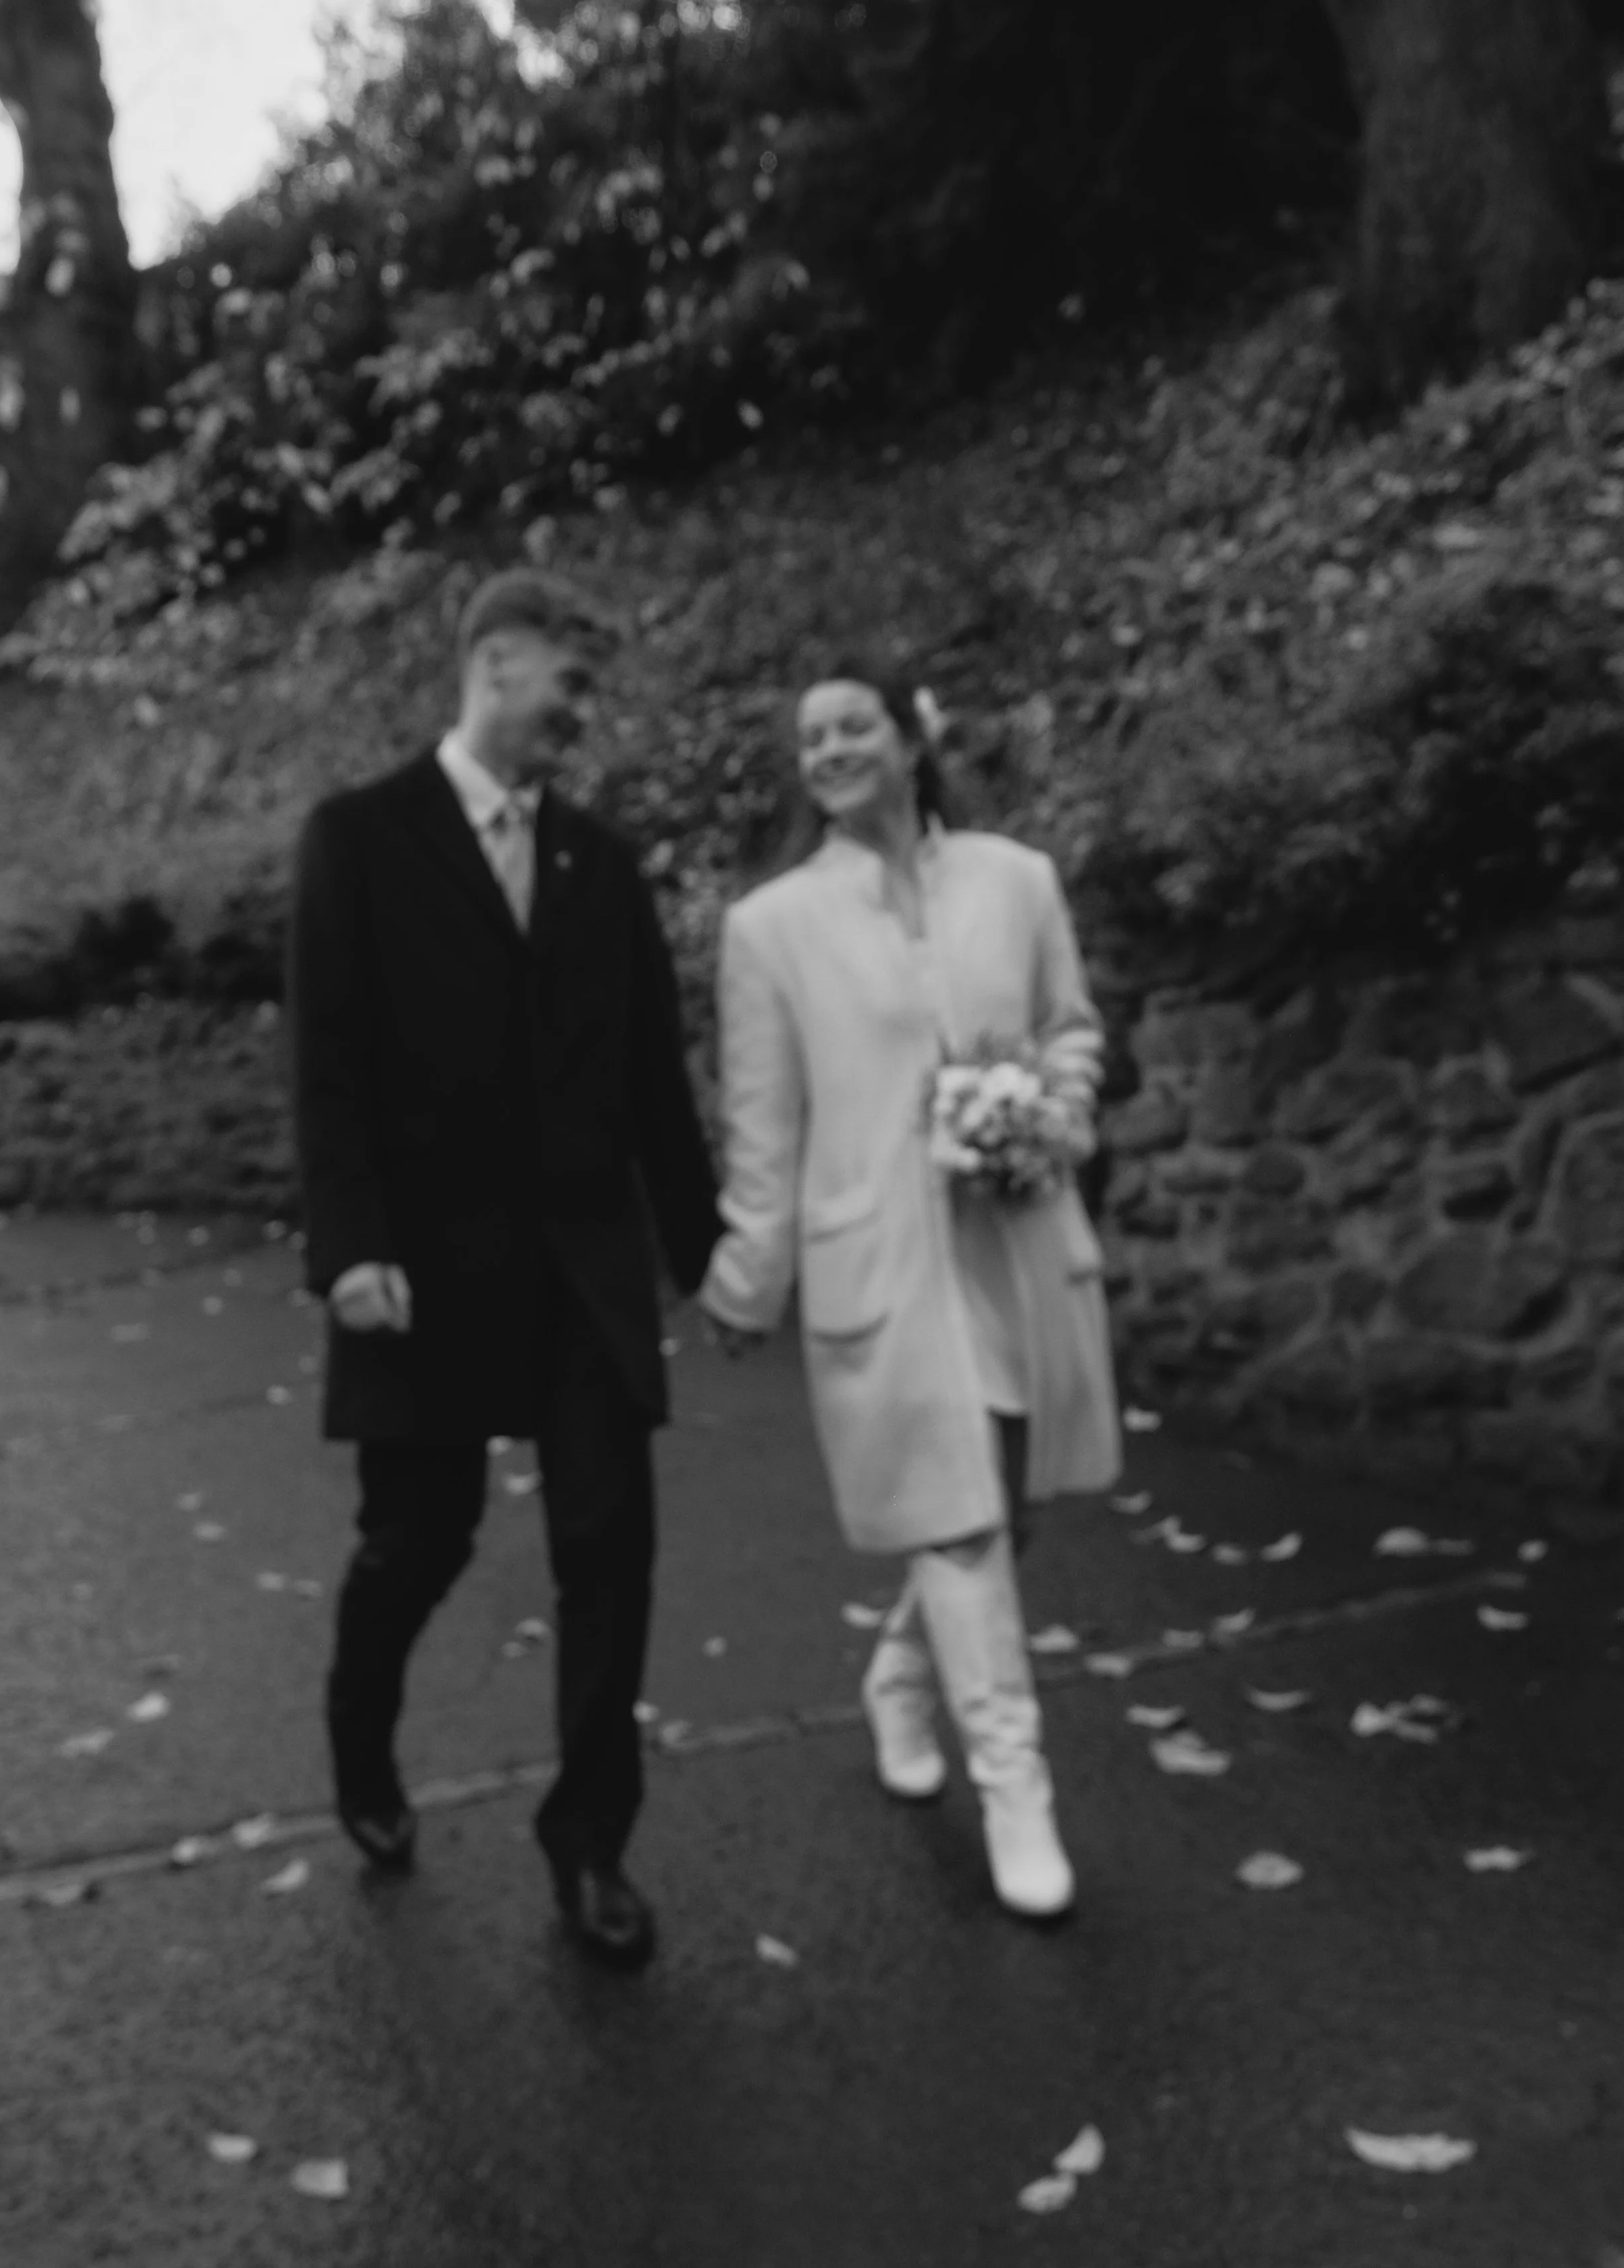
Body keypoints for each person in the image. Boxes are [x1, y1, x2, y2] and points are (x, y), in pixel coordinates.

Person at [288, 566, 721, 1968]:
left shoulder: (601, 860)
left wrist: (709, 1256)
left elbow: (654, 1076)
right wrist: (348, 1249)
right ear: (492, 663)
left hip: (582, 1272)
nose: (581, 719)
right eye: (569, 687)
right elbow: (328, 1064)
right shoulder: (358, 837)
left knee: (609, 1544)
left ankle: (589, 1842)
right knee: (422, 1539)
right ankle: (360, 1729)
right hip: (417, 1269)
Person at [699, 663, 1121, 1921]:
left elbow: (1071, 1027)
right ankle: (1016, 1793)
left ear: (908, 737)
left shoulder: (1017, 880)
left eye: (851, 726)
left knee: (1008, 1505)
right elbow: (763, 1126)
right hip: (881, 1258)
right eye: (809, 737)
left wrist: (1049, 1113)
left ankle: (898, 1675)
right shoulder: (770, 927)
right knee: (959, 1521)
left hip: (1015, 1241)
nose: (828, 749)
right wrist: (744, 1276)